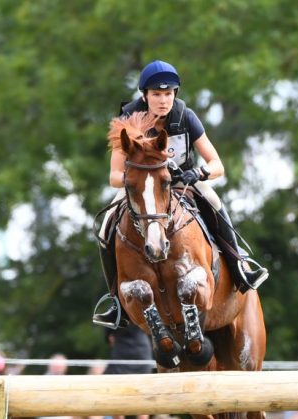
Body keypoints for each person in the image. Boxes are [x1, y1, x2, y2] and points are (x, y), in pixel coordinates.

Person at [92, 59, 269, 328]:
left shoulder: (185, 116)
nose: (163, 101)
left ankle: (240, 268)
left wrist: (199, 173)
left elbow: (217, 165)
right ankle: (115, 299)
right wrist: (139, 178)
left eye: (168, 94)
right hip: (143, 188)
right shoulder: (128, 120)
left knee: (214, 201)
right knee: (106, 227)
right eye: (156, 95)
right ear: (144, 96)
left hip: (183, 182)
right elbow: (114, 176)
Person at [104, 325, 155, 419]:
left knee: (138, 400)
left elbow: (109, 336)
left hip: (130, 351)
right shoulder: (141, 305)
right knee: (121, 401)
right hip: (130, 352)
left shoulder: (114, 306)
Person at [37, 354, 75, 419]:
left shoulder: (67, 381)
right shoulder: (44, 381)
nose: (59, 368)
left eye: (61, 366)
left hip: (63, 416)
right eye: (57, 366)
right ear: (51, 366)